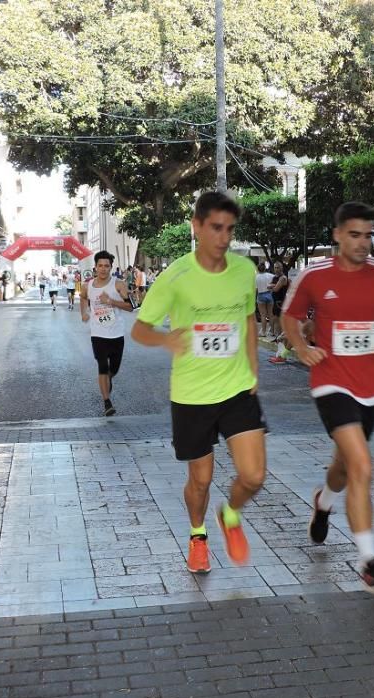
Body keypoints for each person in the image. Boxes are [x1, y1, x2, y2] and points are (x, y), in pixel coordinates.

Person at [283, 201, 374, 593]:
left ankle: (323, 501)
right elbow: (290, 317)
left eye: (369, 235)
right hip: (331, 381)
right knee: (362, 466)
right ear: (337, 235)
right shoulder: (314, 275)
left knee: (344, 468)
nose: (363, 243)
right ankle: (369, 561)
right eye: (355, 234)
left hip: (373, 387)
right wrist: (300, 348)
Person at [131, 191, 267, 574]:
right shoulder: (176, 276)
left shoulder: (244, 271)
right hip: (192, 395)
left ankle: (231, 514)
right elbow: (140, 329)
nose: (224, 238)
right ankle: (198, 534)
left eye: (230, 230)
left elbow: (248, 319)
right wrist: (165, 339)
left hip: (237, 387)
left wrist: (253, 367)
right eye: (216, 228)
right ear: (197, 226)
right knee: (201, 480)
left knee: (254, 475)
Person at [81, 251, 133, 415]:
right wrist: (84, 312)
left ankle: (109, 378)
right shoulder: (87, 286)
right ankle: (107, 402)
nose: (103, 269)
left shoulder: (118, 285)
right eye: (100, 266)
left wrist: (110, 301)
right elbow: (83, 297)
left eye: (107, 266)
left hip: (116, 333)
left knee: (114, 369)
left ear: (111, 267)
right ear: (95, 267)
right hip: (98, 334)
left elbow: (130, 307)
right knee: (102, 366)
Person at [269, 261, 289, 340]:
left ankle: (282, 340)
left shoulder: (283, 278)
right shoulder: (275, 277)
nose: (276, 269)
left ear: (281, 268)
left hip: (281, 303)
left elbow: (276, 289)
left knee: (281, 323)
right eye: (275, 268)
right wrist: (274, 285)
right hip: (275, 302)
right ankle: (278, 338)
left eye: (278, 267)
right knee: (276, 321)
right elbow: (268, 285)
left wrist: (273, 286)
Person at [255, 262, 275, 338]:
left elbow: (256, 289)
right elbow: (276, 280)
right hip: (269, 294)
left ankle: (263, 332)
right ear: (265, 268)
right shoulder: (270, 276)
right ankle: (272, 332)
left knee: (263, 315)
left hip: (260, 295)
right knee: (271, 314)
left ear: (258, 269)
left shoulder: (256, 277)